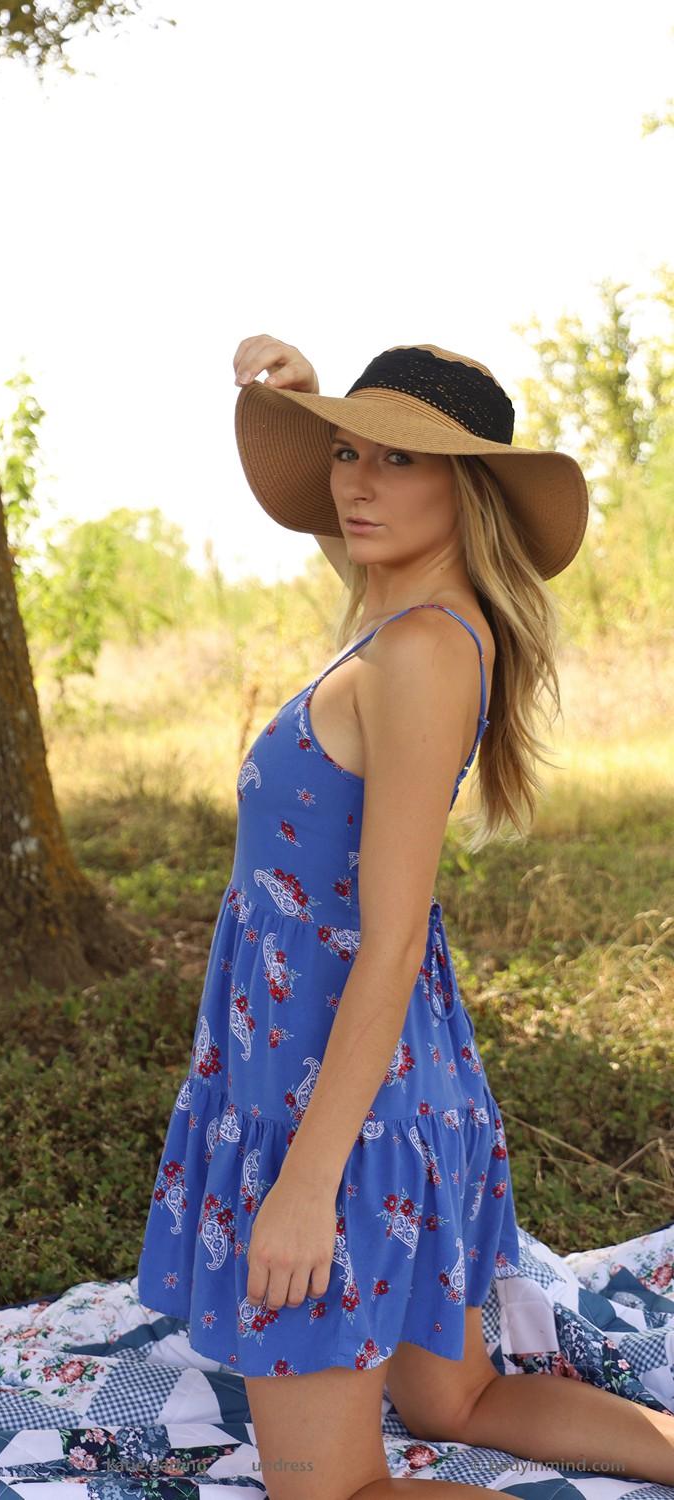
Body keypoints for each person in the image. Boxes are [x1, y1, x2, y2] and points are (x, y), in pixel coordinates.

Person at [135, 335, 674, 1499]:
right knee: (456, 1401)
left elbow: (389, 937)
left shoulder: (422, 651)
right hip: (378, 1081)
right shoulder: (411, 621)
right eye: (344, 454)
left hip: (333, 1105)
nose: (356, 484)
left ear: (465, 488)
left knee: (331, 1493)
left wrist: (302, 1187)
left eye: (398, 459)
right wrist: (297, 402)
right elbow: (350, 539)